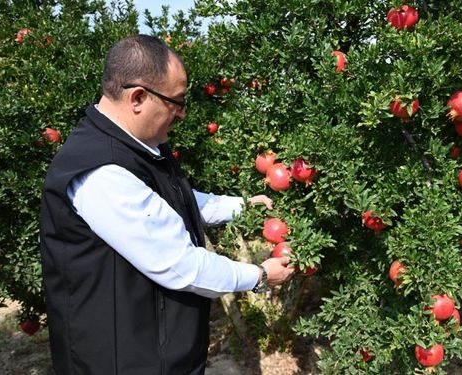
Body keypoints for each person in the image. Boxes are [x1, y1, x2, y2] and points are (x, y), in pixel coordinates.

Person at [39, 34, 294, 375]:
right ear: (138, 98)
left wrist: (244, 206)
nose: (183, 114)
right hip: (123, 362)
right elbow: (180, 265)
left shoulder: (137, 146)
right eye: (177, 102)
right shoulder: (102, 173)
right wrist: (260, 275)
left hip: (158, 354)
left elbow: (176, 198)